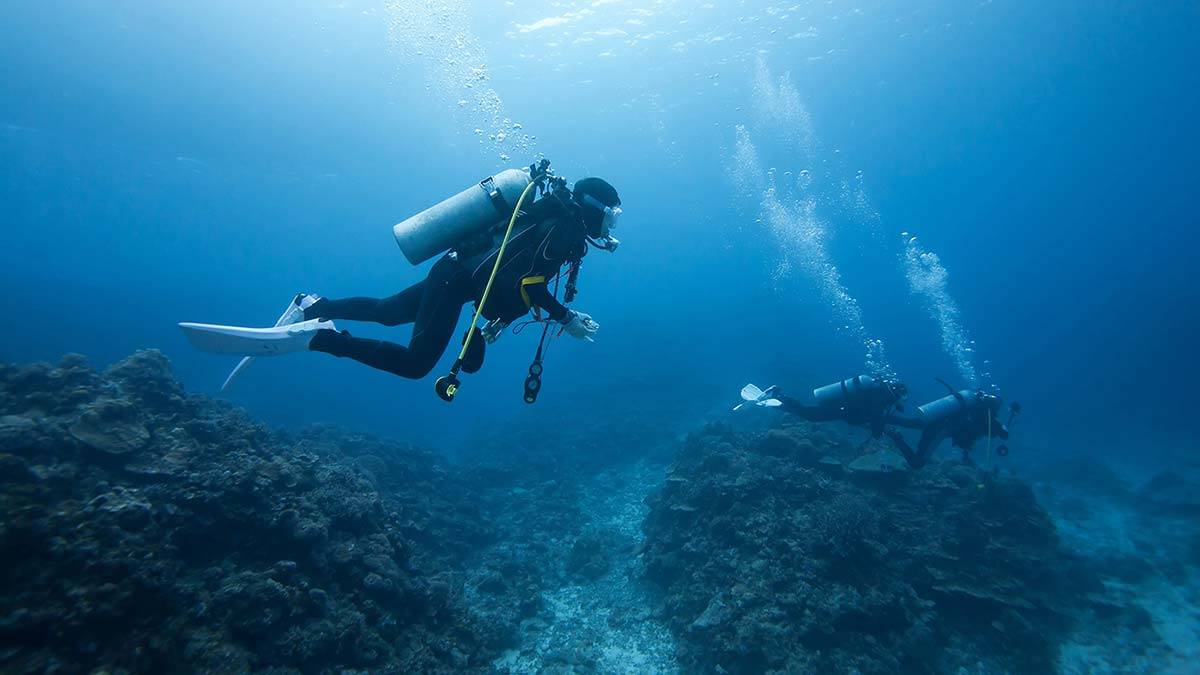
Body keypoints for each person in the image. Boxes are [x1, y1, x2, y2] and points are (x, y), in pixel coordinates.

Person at [181, 167, 622, 385]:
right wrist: (566, 318)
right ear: (593, 209)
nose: (611, 227)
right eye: (612, 217)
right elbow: (525, 284)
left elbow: (511, 274)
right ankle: (319, 337)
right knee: (416, 365)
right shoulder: (563, 230)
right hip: (457, 281)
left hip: (454, 270)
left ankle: (312, 306)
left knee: (389, 311)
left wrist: (496, 321)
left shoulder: (552, 217)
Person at [738, 375, 920, 438]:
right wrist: (881, 431)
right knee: (808, 413)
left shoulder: (878, 393)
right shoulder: (881, 399)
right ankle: (777, 395)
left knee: (806, 412)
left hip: (841, 407)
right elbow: (875, 424)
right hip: (841, 409)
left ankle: (777, 399)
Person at [885, 388, 1013, 469]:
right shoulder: (989, 420)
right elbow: (1004, 435)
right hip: (939, 430)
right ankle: (894, 435)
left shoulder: (974, 407)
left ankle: (878, 418)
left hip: (935, 418)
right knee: (917, 463)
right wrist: (1010, 418)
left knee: (910, 423)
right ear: (995, 408)